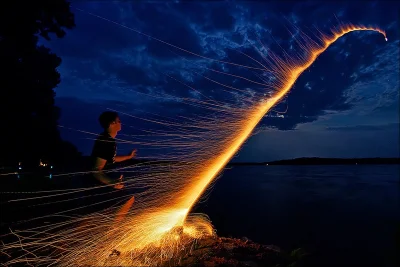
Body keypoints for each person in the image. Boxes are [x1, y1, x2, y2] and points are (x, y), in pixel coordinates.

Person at [91, 111, 137, 190]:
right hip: (99, 185)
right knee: (127, 199)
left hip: (104, 182)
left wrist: (129, 157)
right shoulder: (106, 141)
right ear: (112, 123)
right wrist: (112, 183)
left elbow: (111, 158)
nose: (121, 123)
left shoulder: (108, 139)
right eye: (119, 121)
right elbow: (96, 171)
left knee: (128, 198)